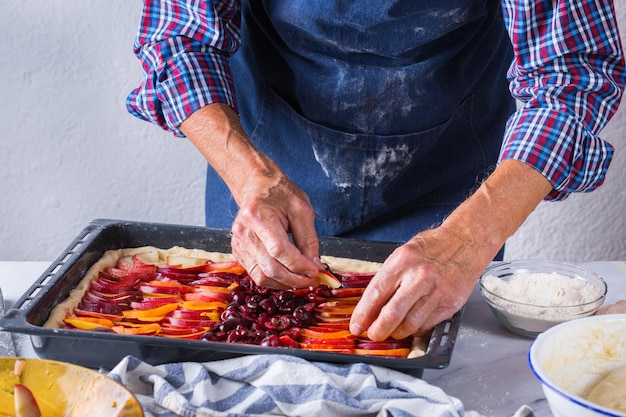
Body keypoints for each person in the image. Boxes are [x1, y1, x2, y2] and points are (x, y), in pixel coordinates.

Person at [127, 1, 625, 342]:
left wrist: (470, 238)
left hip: (451, 189)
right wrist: (251, 177)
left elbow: (573, 74)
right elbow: (177, 41)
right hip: (266, 168)